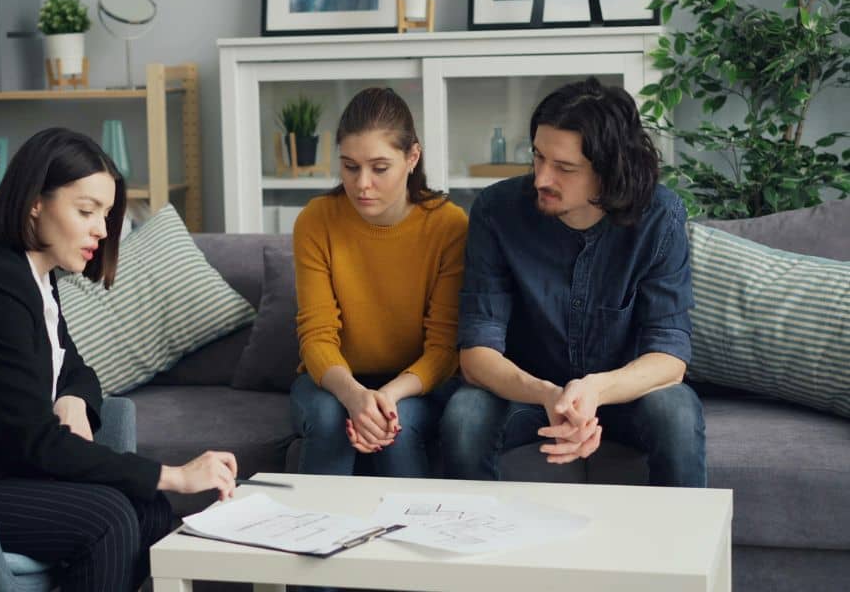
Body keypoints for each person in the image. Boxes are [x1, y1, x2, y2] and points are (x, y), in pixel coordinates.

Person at [0, 128, 239, 591]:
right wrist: (173, 474)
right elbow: (33, 439)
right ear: (36, 201)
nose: (101, 228)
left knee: (147, 507)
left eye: (107, 214)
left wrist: (73, 397)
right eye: (86, 211)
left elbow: (74, 367)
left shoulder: (36, 277)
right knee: (109, 518)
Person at [440, 77, 706, 487]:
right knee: (465, 415)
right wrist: (547, 394)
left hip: (623, 396)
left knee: (676, 413)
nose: (542, 178)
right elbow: (477, 355)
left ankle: (683, 550)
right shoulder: (497, 211)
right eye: (538, 157)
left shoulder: (660, 217)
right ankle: (473, 543)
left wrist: (597, 389)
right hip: (527, 396)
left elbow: (670, 354)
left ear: (609, 172)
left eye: (564, 168)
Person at [290, 87, 468, 478]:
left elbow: (444, 348)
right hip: (335, 378)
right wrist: (354, 395)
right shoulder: (316, 221)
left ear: (412, 157)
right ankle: (315, 534)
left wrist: (387, 396)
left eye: (379, 168)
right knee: (328, 416)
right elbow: (317, 337)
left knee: (396, 426)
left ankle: (409, 533)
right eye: (350, 167)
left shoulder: (448, 226)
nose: (362, 184)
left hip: (415, 384)